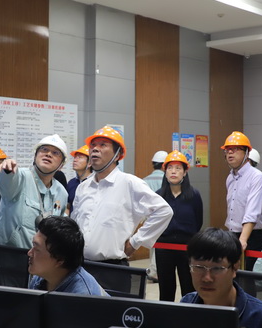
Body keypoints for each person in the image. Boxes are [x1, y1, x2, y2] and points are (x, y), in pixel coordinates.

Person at [71, 126, 173, 291]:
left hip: (113, 271)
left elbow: (163, 211)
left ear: (117, 155)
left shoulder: (130, 183)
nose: (95, 149)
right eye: (93, 145)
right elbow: (75, 223)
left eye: (103, 145)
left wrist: (135, 242)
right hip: (81, 267)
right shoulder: (83, 187)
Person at [0, 134, 68, 264]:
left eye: (55, 153)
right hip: (7, 258)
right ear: (35, 156)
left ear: (61, 165)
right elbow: (7, 183)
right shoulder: (20, 176)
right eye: (44, 149)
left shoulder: (61, 192)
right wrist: (7, 170)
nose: (48, 154)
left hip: (41, 260)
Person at [156, 150, 202, 301]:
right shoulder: (158, 195)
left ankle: (188, 313)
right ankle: (166, 314)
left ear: (185, 172)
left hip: (186, 247)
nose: (173, 171)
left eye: (178, 168)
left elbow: (198, 221)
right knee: (165, 287)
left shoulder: (194, 195)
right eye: (170, 168)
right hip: (163, 247)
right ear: (165, 172)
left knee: (188, 286)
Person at [221, 132, 262, 274]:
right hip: (233, 233)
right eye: (227, 149)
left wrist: (243, 240)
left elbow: (252, 211)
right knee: (232, 275)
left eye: (235, 149)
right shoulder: (230, 178)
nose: (230, 152)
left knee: (244, 277)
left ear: (247, 153)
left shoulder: (256, 177)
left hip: (251, 235)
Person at [28, 215, 108, 295]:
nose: (29, 253)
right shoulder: (41, 277)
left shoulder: (82, 295)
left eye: (37, 249)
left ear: (60, 259)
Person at [142, 150, 168, 282]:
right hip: (163, 215)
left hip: (149, 216)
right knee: (161, 244)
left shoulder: (144, 181)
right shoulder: (168, 181)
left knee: (153, 244)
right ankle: (155, 271)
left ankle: (154, 270)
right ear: (164, 165)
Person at [66, 144, 92, 213]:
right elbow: (68, 206)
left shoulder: (95, 183)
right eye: (75, 157)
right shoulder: (71, 183)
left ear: (89, 163)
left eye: (80, 157)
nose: (75, 160)